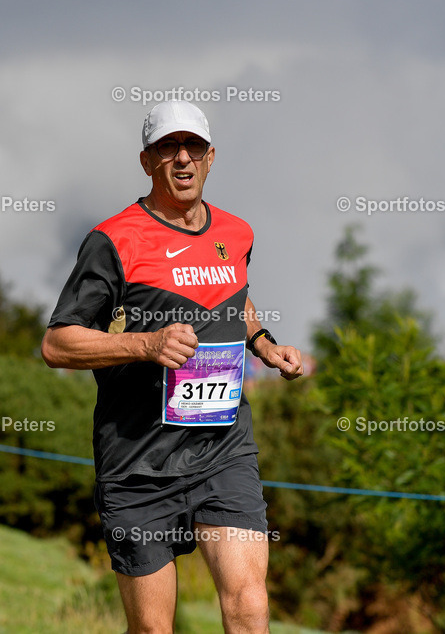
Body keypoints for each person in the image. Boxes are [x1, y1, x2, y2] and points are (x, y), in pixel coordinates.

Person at [42, 100, 303, 633]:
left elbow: (235, 300)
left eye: (193, 148)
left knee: (250, 607)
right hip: (139, 465)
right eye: (168, 148)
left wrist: (264, 344)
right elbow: (58, 344)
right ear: (146, 161)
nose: (182, 159)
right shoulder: (113, 240)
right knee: (155, 630)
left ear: (211, 159)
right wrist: (145, 345)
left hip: (222, 450)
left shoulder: (237, 233)